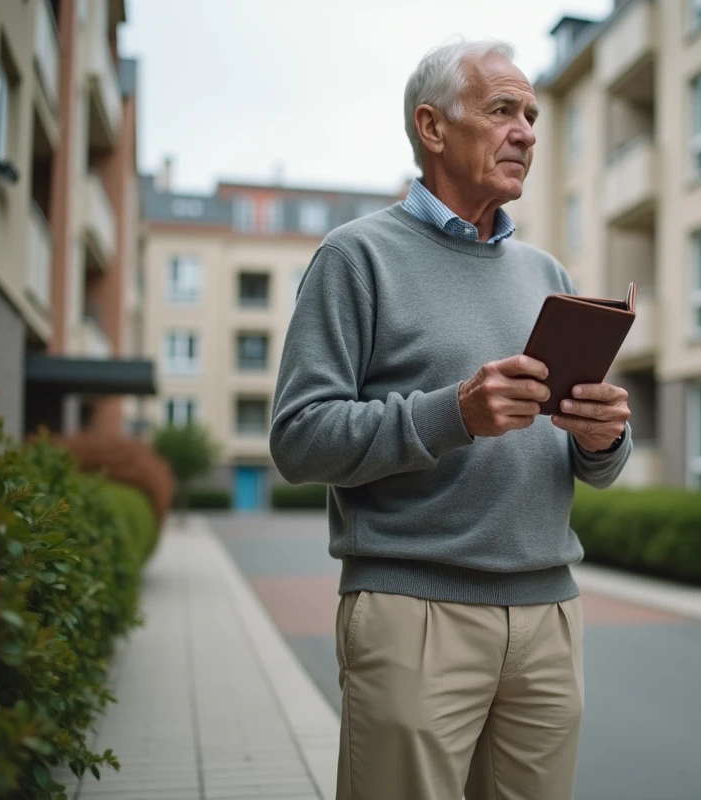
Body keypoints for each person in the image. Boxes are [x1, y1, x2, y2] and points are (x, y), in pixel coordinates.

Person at [270, 38, 633, 800]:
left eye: (531, 115)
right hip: (414, 612)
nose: (527, 131)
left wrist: (604, 440)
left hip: (547, 615)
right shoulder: (354, 258)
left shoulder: (548, 276)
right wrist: (453, 415)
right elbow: (299, 440)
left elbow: (579, 459)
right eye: (503, 110)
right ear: (432, 127)